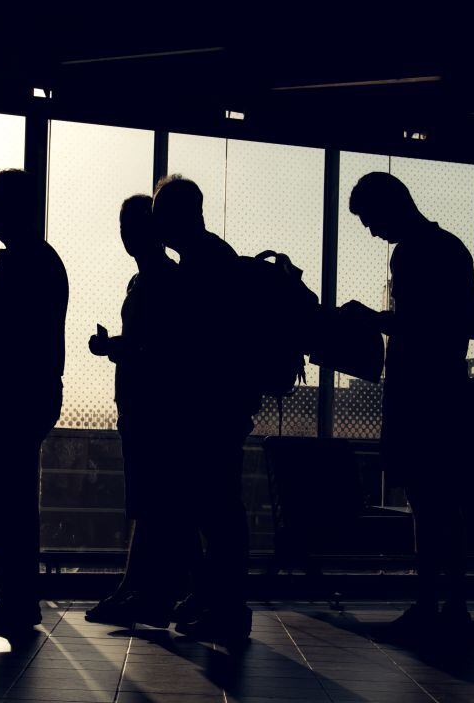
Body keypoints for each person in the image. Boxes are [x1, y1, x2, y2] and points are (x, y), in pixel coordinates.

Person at [344, 172, 474, 639]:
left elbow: (417, 323)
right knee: (446, 501)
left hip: (418, 394)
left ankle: (427, 601)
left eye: (369, 218)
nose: (370, 230)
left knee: (424, 500)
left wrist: (374, 319)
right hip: (448, 389)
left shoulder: (410, 253)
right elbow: (468, 322)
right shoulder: (452, 248)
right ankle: (454, 604)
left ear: (389, 207)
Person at [150, 175, 258, 646]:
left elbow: (191, 345)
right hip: (221, 406)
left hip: (206, 409)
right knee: (216, 507)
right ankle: (217, 601)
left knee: (214, 509)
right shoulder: (216, 258)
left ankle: (226, 606)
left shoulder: (200, 266)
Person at [0, 169, 68, 631]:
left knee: (14, 500)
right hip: (21, 393)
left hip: (15, 395)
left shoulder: (28, 263)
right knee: (14, 498)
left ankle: (16, 599)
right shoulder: (36, 260)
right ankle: (13, 596)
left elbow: (16, 336)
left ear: (16, 207)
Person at [85, 194, 197, 628]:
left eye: (129, 227)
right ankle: (150, 591)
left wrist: (115, 347)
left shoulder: (156, 281)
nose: (125, 235)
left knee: (151, 501)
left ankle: (142, 592)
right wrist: (119, 347)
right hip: (149, 405)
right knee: (158, 502)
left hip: (150, 407)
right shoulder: (157, 278)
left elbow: (158, 349)